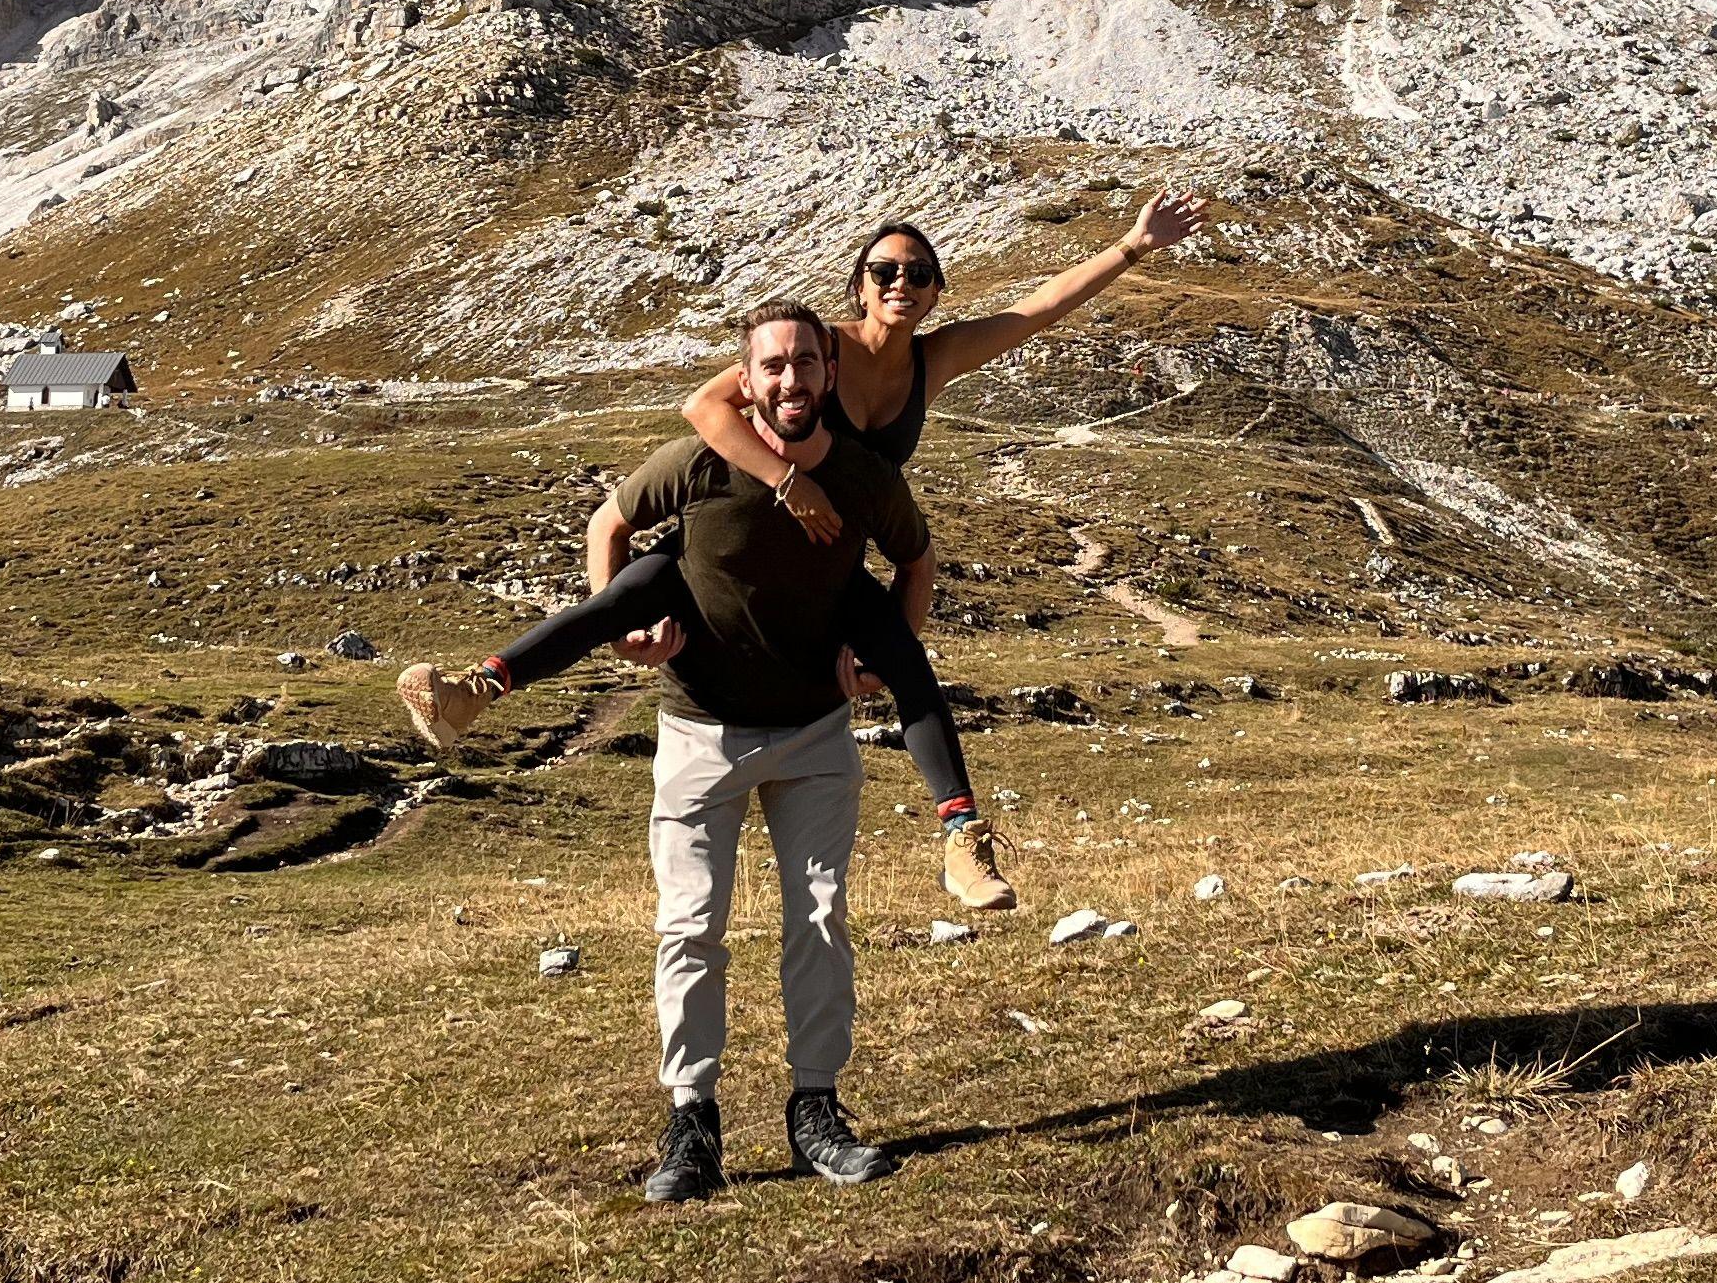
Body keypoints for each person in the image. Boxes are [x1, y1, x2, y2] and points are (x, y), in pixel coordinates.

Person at [397, 189, 1206, 916]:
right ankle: (475, 691)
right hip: (733, 535)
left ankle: (964, 838)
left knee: (906, 659)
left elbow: (1038, 310)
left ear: (934, 292)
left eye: (919, 273)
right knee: (621, 599)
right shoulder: (818, 350)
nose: (902, 283)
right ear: (858, 284)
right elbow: (703, 406)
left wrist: (1132, 247)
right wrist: (787, 482)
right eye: (885, 269)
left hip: (832, 561)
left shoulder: (935, 359)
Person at [490, 303, 932, 1203]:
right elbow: (607, 523)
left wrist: (883, 667)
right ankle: (692, 1120)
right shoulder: (696, 462)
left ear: (830, 375)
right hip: (699, 730)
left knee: (819, 920)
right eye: (773, 367)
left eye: (807, 363)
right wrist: (624, 625)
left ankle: (816, 1111)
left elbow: (918, 558)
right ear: (747, 380)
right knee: (691, 926)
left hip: (814, 734)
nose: (792, 380)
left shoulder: (862, 473)